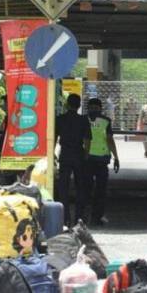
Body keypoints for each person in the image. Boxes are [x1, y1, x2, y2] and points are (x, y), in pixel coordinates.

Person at [55, 94, 92, 226]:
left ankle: (65, 218)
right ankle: (79, 218)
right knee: (80, 187)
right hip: (78, 154)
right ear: (79, 105)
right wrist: (86, 155)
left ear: (67, 104)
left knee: (63, 187)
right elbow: (87, 140)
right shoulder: (83, 120)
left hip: (65, 154)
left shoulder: (60, 119)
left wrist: (53, 155)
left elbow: (54, 138)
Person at [86, 98, 119, 226]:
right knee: (100, 191)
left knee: (85, 189)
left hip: (87, 159)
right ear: (101, 108)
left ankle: (83, 217)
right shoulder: (106, 121)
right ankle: (97, 217)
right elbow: (110, 140)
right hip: (101, 160)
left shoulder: (83, 120)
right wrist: (116, 157)